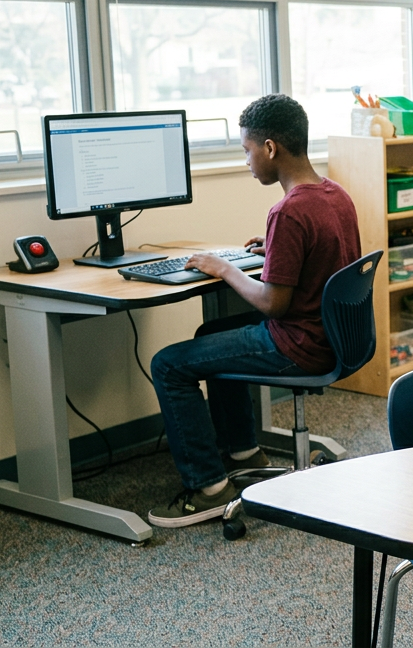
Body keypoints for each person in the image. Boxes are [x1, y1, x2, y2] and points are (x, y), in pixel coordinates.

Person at [147, 94, 361, 528]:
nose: (246, 160)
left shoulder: (288, 209)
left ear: (269, 148)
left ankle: (207, 488)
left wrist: (223, 267)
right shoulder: (334, 194)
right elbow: (325, 255)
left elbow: (272, 303)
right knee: (211, 333)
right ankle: (245, 449)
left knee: (168, 364)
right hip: (334, 336)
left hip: (297, 344)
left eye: (246, 150)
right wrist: (275, 252)